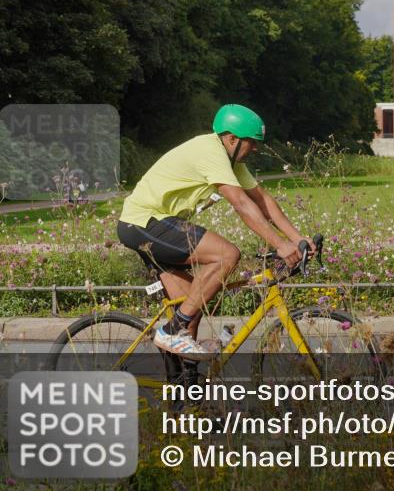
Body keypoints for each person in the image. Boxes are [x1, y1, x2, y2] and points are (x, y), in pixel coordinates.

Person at [117, 104, 316, 360]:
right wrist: (280, 244)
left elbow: (262, 200)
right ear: (232, 138)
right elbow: (241, 203)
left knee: (193, 305)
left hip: (156, 224)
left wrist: (297, 239)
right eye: (252, 142)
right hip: (143, 222)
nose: (255, 148)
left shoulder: (230, 160)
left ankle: (185, 395)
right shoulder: (210, 151)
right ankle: (172, 330)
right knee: (227, 254)